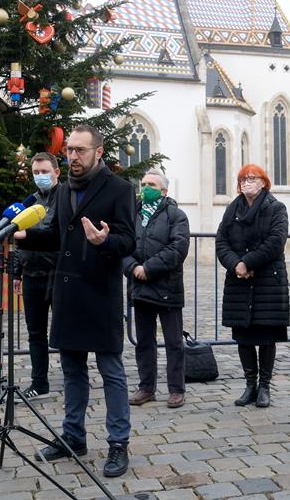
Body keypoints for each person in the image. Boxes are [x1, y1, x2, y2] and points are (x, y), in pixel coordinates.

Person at [15, 124, 136, 478]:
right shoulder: (65, 189)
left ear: (98, 152)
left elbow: (129, 241)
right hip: (67, 293)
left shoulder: (120, 189)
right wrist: (22, 235)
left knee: (111, 371)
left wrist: (104, 242)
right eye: (69, 150)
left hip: (100, 292)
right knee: (71, 371)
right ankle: (73, 436)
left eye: (80, 150)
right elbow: (54, 232)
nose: (72, 156)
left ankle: (118, 443)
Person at [216, 164, 289, 408]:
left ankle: (265, 386)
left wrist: (247, 262)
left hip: (267, 279)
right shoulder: (232, 208)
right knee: (244, 335)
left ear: (264, 182)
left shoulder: (276, 207)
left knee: (266, 334)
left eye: (252, 178)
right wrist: (236, 264)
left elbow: (275, 242)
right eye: (243, 178)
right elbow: (222, 242)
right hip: (239, 281)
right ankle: (250, 385)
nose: (247, 182)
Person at [124, 168, 190, 409]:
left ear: (163, 190)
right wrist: (132, 267)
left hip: (167, 288)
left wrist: (148, 268)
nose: (145, 188)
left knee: (173, 342)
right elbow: (124, 246)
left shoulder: (176, 215)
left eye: (151, 184)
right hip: (140, 288)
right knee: (144, 341)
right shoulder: (135, 215)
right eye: (143, 184)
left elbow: (177, 249)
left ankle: (176, 389)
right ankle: (146, 387)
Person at [13, 152, 61, 402]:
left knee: (65, 330)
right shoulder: (29, 201)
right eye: (36, 173)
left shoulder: (65, 198)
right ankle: (39, 382)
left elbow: (57, 234)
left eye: (44, 172)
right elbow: (18, 235)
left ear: (56, 172)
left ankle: (75, 380)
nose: (40, 177)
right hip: (31, 273)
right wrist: (17, 273)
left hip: (59, 274)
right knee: (35, 332)